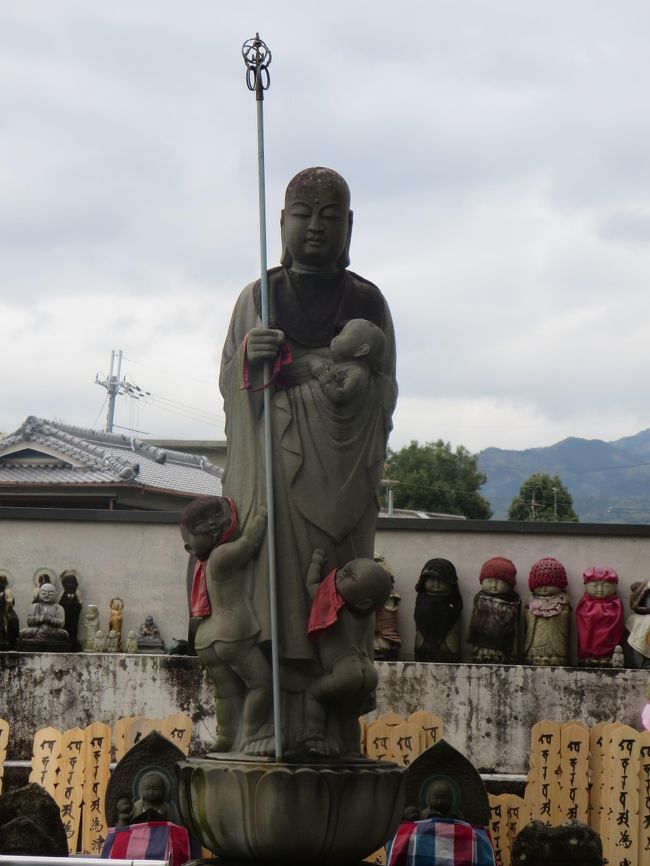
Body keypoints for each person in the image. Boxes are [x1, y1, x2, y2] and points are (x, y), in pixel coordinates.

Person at [219, 167, 397, 751]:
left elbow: (386, 387)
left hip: (342, 467)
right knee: (275, 586)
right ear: (281, 222)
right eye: (303, 215)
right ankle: (267, 718)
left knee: (332, 593)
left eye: (330, 216)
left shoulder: (367, 299)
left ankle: (332, 723)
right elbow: (232, 382)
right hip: (276, 463)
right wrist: (253, 357)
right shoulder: (260, 296)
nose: (316, 228)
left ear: (351, 225)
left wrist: (343, 384)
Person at [180, 496, 273, 755]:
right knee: (261, 683)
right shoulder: (220, 556)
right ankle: (254, 733)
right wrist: (261, 516)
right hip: (232, 632)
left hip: (206, 639)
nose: (188, 548)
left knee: (225, 692)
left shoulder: (200, 563)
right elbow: (250, 543)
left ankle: (225, 736)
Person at [301, 548, 392, 756]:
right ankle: (351, 748)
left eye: (350, 576)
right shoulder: (366, 615)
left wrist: (316, 562)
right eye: (346, 570)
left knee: (314, 694)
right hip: (367, 672)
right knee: (348, 715)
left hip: (344, 671)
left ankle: (314, 738)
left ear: (364, 602)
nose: (341, 573)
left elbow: (311, 585)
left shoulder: (334, 606)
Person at [309, 317, 388, 405]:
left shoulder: (357, 373)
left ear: (361, 350)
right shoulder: (339, 365)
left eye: (343, 334)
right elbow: (321, 366)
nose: (335, 338)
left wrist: (325, 378)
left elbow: (339, 396)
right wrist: (316, 364)